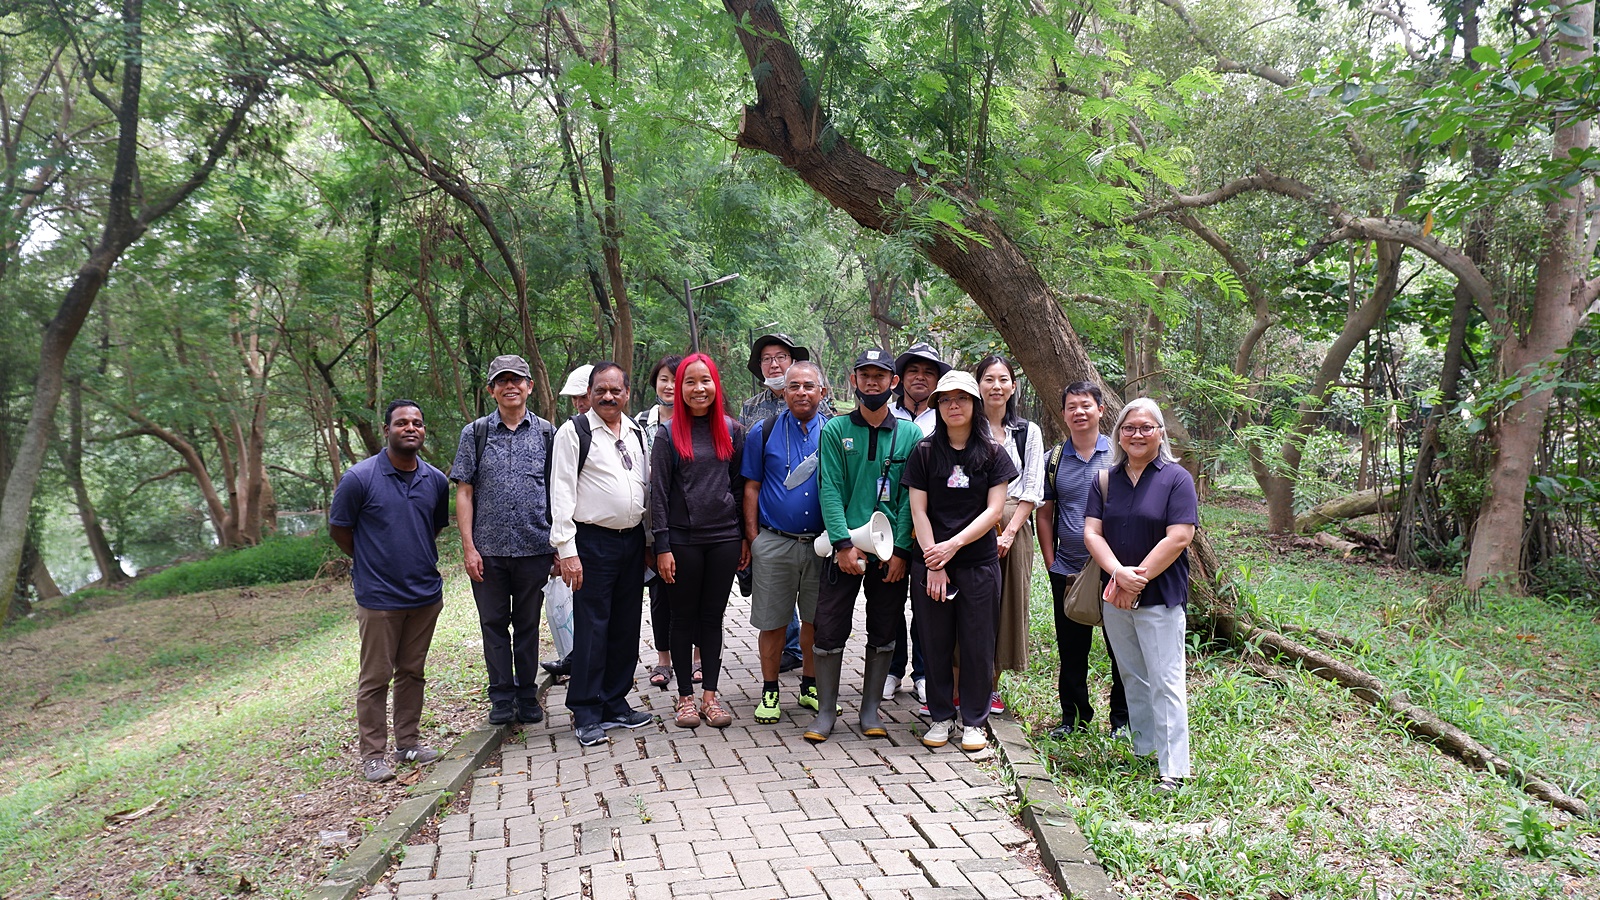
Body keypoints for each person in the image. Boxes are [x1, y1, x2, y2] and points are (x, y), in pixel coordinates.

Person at [328, 400, 451, 783]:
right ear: (387, 430)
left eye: (417, 422)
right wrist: (374, 560)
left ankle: (409, 743)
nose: (410, 428)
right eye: (401, 423)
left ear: (423, 430)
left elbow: (431, 527)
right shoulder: (359, 479)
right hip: (379, 599)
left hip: (424, 595)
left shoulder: (436, 480)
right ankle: (373, 754)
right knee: (375, 677)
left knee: (412, 672)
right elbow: (341, 531)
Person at [805, 348, 922, 743]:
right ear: (853, 380)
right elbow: (830, 489)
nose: (872, 382)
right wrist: (841, 545)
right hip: (845, 548)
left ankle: (870, 709)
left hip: (889, 552)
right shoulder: (835, 430)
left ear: (894, 382)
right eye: (864, 375)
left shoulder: (911, 434)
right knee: (829, 627)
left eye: (880, 375)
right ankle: (825, 713)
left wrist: (902, 551)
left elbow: (910, 498)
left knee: (885, 626)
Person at [1083, 398, 1198, 791]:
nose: (1137, 434)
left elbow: (1180, 536)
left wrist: (1137, 578)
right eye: (1129, 428)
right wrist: (1117, 574)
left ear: (1160, 433)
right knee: (1133, 674)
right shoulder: (1105, 479)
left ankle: (1174, 769)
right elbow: (1091, 533)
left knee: (1165, 679)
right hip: (1114, 595)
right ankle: (1144, 747)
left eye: (1146, 427)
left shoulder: (1176, 478)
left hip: (1159, 595)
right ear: (1118, 434)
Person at [903, 371, 1016, 752]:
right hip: (931, 563)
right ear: (937, 406)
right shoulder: (923, 452)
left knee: (977, 643)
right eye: (946, 399)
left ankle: (974, 721)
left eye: (962, 398)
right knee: (934, 641)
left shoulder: (993, 453)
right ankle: (939, 716)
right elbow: (918, 510)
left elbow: (995, 511)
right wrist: (935, 562)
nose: (954, 405)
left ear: (975, 405)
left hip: (978, 562)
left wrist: (952, 546)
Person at [550, 362, 655, 747]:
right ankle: (586, 709)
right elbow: (560, 493)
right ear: (590, 393)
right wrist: (567, 551)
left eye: (616, 390)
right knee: (593, 627)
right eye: (601, 390)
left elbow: (642, 488)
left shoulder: (635, 431)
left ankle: (615, 702)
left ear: (627, 393)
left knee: (626, 625)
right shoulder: (573, 432)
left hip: (630, 543)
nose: (608, 397)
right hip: (591, 543)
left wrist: (645, 543)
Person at [451, 356, 557, 727]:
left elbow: (557, 492)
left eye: (518, 380)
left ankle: (527, 695)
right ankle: (500, 696)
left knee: (527, 624)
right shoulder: (476, 433)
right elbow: (464, 491)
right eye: (502, 381)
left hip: (535, 547)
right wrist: (468, 547)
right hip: (489, 551)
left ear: (529, 386)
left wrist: (559, 548)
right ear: (491, 390)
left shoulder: (547, 432)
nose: (511, 386)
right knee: (493, 624)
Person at [651, 353, 747, 728]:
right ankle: (685, 700)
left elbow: (737, 487)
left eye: (705, 380)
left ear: (715, 385)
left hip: (723, 539)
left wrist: (742, 537)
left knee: (712, 617)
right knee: (683, 617)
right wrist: (662, 545)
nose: (698, 388)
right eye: (690, 382)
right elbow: (657, 494)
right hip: (682, 542)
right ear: (680, 388)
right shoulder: (668, 434)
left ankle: (710, 695)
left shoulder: (733, 431)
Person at [1036, 382, 1128, 738]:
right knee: (1072, 651)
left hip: (1113, 571)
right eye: (1071, 406)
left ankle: (1122, 721)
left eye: (1086, 405)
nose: (1079, 412)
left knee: (1120, 648)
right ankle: (1073, 718)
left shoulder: (1119, 455)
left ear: (1101, 410)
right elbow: (1045, 514)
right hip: (1067, 570)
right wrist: (1049, 561)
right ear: (1063, 414)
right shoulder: (1053, 459)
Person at [741, 360, 830, 725]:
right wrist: (754, 538)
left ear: (822, 392)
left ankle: (810, 686)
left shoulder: (835, 432)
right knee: (773, 622)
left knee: (814, 622)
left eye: (809, 386)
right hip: (774, 541)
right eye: (794, 387)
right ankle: (770, 690)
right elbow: (751, 487)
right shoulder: (763, 431)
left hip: (821, 545)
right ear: (784, 392)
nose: (801, 393)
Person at [976, 356, 1044, 716]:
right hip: (972, 527)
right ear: (978, 385)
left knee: (1007, 607)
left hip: (1013, 531)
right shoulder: (967, 427)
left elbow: (1032, 486)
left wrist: (1010, 532)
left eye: (1004, 379)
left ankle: (991, 687)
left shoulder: (1027, 432)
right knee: (971, 604)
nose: (996, 386)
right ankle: (961, 686)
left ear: (1013, 387)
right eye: (989, 379)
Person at [886, 341, 949, 705]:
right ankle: (892, 670)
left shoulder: (945, 417)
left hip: (932, 525)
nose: (920, 378)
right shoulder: (886, 416)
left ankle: (924, 673)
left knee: (927, 603)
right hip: (890, 525)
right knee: (888, 602)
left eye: (928, 372)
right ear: (901, 378)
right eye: (913, 371)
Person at [635, 354, 694, 690]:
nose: (670, 386)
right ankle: (664, 660)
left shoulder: (698, 418)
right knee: (659, 590)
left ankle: (700, 658)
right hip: (650, 517)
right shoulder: (639, 422)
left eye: (677, 379)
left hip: (691, 518)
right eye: (664, 380)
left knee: (695, 589)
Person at [541, 364, 595, 681]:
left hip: (611, 539)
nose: (579, 403)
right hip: (577, 537)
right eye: (574, 398)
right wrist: (562, 545)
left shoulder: (626, 431)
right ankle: (576, 661)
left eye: (582, 395)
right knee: (578, 605)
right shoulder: (569, 433)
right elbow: (559, 492)